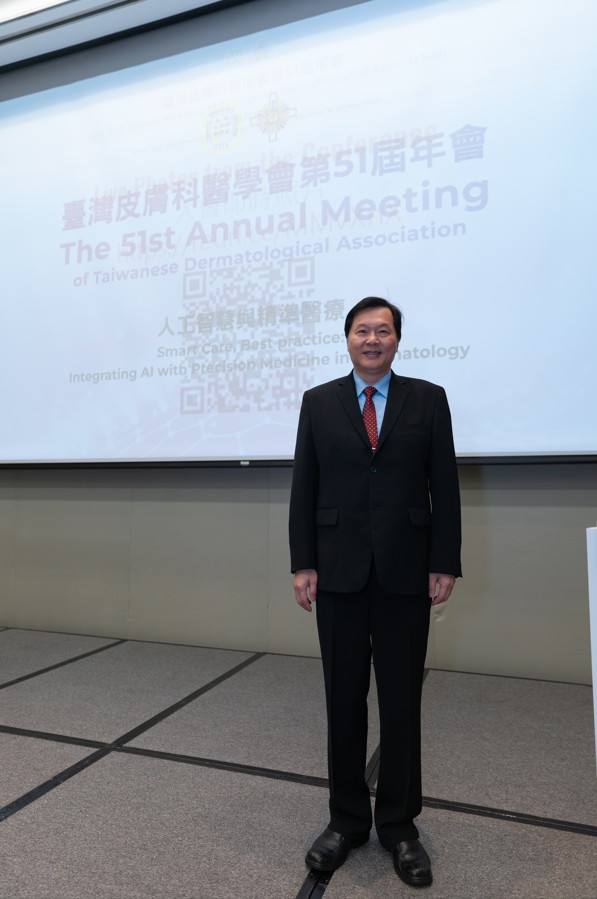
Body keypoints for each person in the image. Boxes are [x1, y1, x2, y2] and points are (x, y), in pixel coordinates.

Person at [288, 296, 461, 888]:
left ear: (396, 340)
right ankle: (345, 820)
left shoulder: (428, 399)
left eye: (382, 330)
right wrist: (303, 562)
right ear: (347, 339)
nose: (372, 339)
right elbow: (305, 485)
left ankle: (399, 825)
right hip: (336, 571)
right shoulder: (318, 402)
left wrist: (444, 562)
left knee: (401, 702)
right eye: (362, 330)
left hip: (406, 571)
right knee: (343, 699)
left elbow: (445, 485)